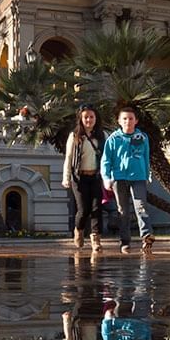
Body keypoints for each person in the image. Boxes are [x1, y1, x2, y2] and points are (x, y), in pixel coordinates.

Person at [100, 106, 155, 255]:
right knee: (123, 211)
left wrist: (147, 174)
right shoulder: (113, 139)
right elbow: (106, 159)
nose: (128, 121)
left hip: (138, 177)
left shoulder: (142, 137)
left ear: (136, 120)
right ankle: (125, 241)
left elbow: (146, 156)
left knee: (141, 207)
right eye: (124, 118)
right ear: (119, 121)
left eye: (131, 118)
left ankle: (146, 236)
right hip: (119, 178)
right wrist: (106, 177)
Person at [62, 104, 105, 252]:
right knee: (83, 209)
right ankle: (78, 230)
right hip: (79, 178)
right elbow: (68, 157)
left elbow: (105, 157)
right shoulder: (74, 136)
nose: (89, 120)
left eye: (91, 117)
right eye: (86, 117)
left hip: (96, 176)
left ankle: (95, 239)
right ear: (81, 118)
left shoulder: (101, 135)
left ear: (95, 118)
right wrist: (66, 177)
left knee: (97, 208)